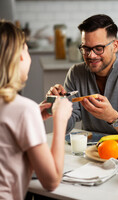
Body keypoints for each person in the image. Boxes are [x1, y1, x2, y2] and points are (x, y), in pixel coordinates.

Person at [48, 14, 118, 137]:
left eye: (98, 48)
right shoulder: (76, 73)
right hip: (93, 149)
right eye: (86, 48)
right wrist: (56, 106)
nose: (91, 55)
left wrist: (112, 117)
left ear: (115, 46)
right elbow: (65, 128)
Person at [0, 21, 73, 200]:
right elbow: (51, 181)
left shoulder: (24, 111)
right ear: (20, 57)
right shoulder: (24, 110)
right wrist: (60, 120)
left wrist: (35, 118)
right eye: (26, 50)